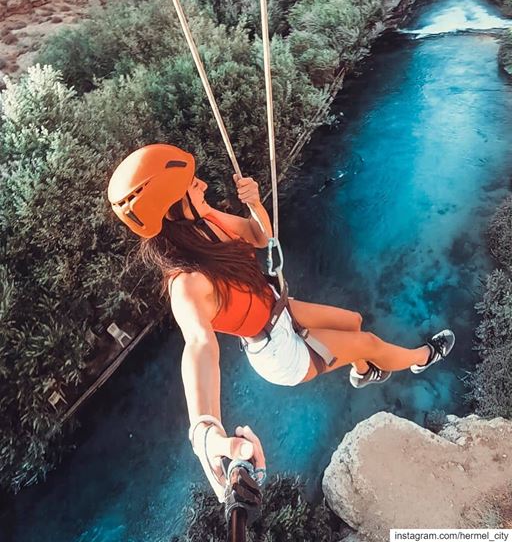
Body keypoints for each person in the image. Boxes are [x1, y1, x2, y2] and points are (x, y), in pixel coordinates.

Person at [108, 143, 455, 501]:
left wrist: (255, 202)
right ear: (172, 209)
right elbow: (199, 346)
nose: (203, 186)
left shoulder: (206, 220)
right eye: (193, 184)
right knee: (367, 342)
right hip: (278, 352)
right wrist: (205, 431)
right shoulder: (187, 283)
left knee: (353, 320)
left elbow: (259, 237)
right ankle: (422, 358)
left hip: (280, 311)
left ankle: (365, 372)